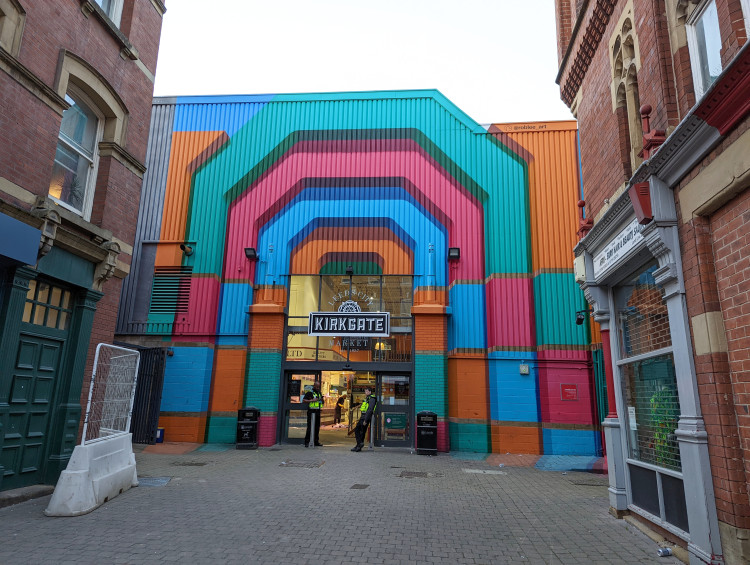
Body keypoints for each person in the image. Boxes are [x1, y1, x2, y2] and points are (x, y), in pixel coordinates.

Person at [351, 386, 376, 452]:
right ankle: (359, 445)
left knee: (357, 430)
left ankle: (359, 444)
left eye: (366, 391)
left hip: (366, 417)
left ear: (370, 391)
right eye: (365, 391)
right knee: (361, 431)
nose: (365, 392)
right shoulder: (367, 398)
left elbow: (370, 410)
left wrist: (366, 420)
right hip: (363, 416)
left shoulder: (372, 399)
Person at [303, 382, 324, 447]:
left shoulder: (319, 393)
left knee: (317, 427)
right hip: (311, 411)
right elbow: (304, 400)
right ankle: (307, 441)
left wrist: (322, 400)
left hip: (317, 411)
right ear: (314, 386)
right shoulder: (310, 392)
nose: (318, 388)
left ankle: (316, 441)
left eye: (318, 387)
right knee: (310, 427)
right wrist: (312, 400)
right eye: (317, 387)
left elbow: (321, 401)